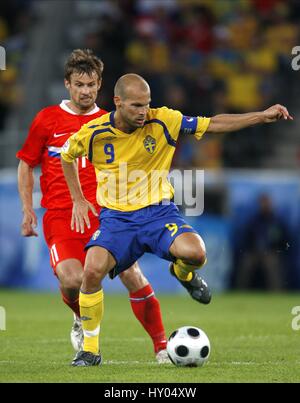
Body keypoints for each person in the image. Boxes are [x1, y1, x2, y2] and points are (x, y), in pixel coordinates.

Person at [61, 73, 293, 367]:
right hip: (116, 220)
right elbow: (66, 155)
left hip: (159, 214)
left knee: (196, 254)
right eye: (135, 106)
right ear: (117, 102)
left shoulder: (164, 120)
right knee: (91, 271)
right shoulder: (93, 132)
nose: (143, 112)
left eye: (146, 104)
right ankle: (90, 350)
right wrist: (78, 199)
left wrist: (260, 116)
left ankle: (182, 275)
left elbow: (213, 123)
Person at [16, 50, 180, 364]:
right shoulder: (46, 120)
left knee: (133, 276)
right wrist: (27, 210)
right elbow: (26, 164)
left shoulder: (112, 122)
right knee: (72, 280)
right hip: (61, 215)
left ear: (100, 84)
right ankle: (81, 317)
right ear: (67, 84)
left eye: (91, 84)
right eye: (79, 84)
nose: (86, 91)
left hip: (106, 214)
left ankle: (161, 348)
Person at [236, 194, 291, 290]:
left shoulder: (276, 221)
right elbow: (247, 238)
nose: (265, 205)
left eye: (267, 203)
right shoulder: (254, 221)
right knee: (246, 264)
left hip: (271, 252)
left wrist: (277, 250)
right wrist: (252, 250)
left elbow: (285, 240)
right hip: (255, 252)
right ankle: (240, 291)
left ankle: (276, 292)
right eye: (263, 203)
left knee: (271, 264)